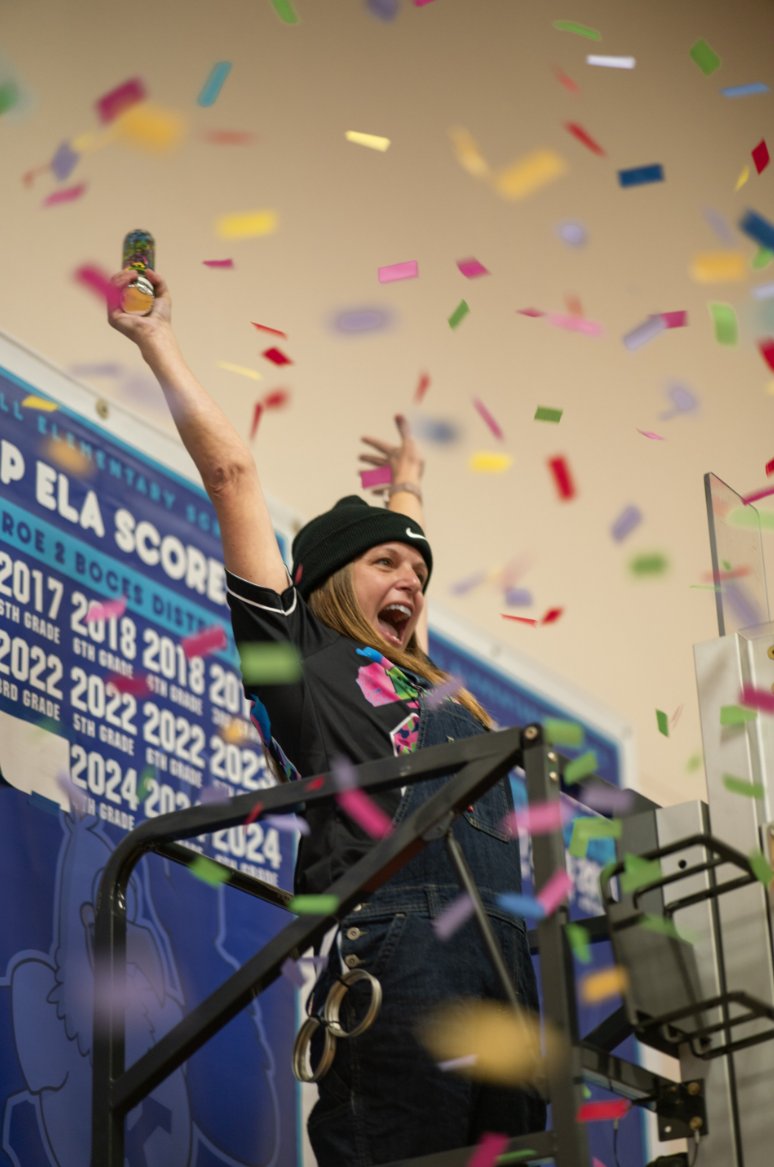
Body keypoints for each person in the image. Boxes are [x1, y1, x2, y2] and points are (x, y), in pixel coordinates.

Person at [108, 266, 546, 1165]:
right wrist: (159, 342)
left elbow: (402, 575)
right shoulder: (299, 661)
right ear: (329, 582)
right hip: (402, 942)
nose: (412, 582)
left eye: (419, 572)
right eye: (387, 564)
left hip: (503, 961)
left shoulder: (422, 674)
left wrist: (411, 488)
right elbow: (232, 473)